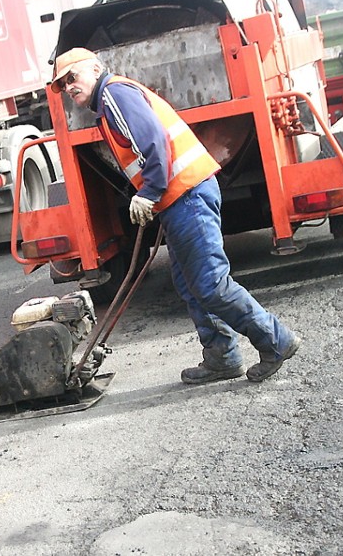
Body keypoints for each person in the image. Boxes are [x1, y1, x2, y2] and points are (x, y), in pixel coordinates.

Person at [50, 47, 300, 383]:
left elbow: (155, 141)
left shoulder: (114, 95)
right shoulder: (110, 101)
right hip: (182, 198)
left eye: (72, 77)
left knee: (210, 284)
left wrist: (150, 192)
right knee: (191, 284)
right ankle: (222, 356)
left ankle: (276, 340)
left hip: (188, 196)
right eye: (62, 84)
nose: (68, 86)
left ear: (95, 69)